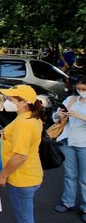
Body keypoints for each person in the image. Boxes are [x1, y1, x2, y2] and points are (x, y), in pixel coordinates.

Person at [0, 85, 43, 223]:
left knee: (25, 218)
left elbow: (20, 155)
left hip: (21, 178)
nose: (6, 101)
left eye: (10, 99)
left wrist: (2, 175)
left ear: (23, 102)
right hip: (31, 173)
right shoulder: (31, 118)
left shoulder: (23, 124)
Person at [53, 77, 86, 221]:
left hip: (84, 144)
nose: (81, 91)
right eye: (79, 88)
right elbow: (55, 117)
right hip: (67, 141)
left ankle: (85, 207)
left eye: (84, 89)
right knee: (69, 175)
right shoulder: (71, 100)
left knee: (84, 179)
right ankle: (68, 202)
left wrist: (81, 116)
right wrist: (58, 115)